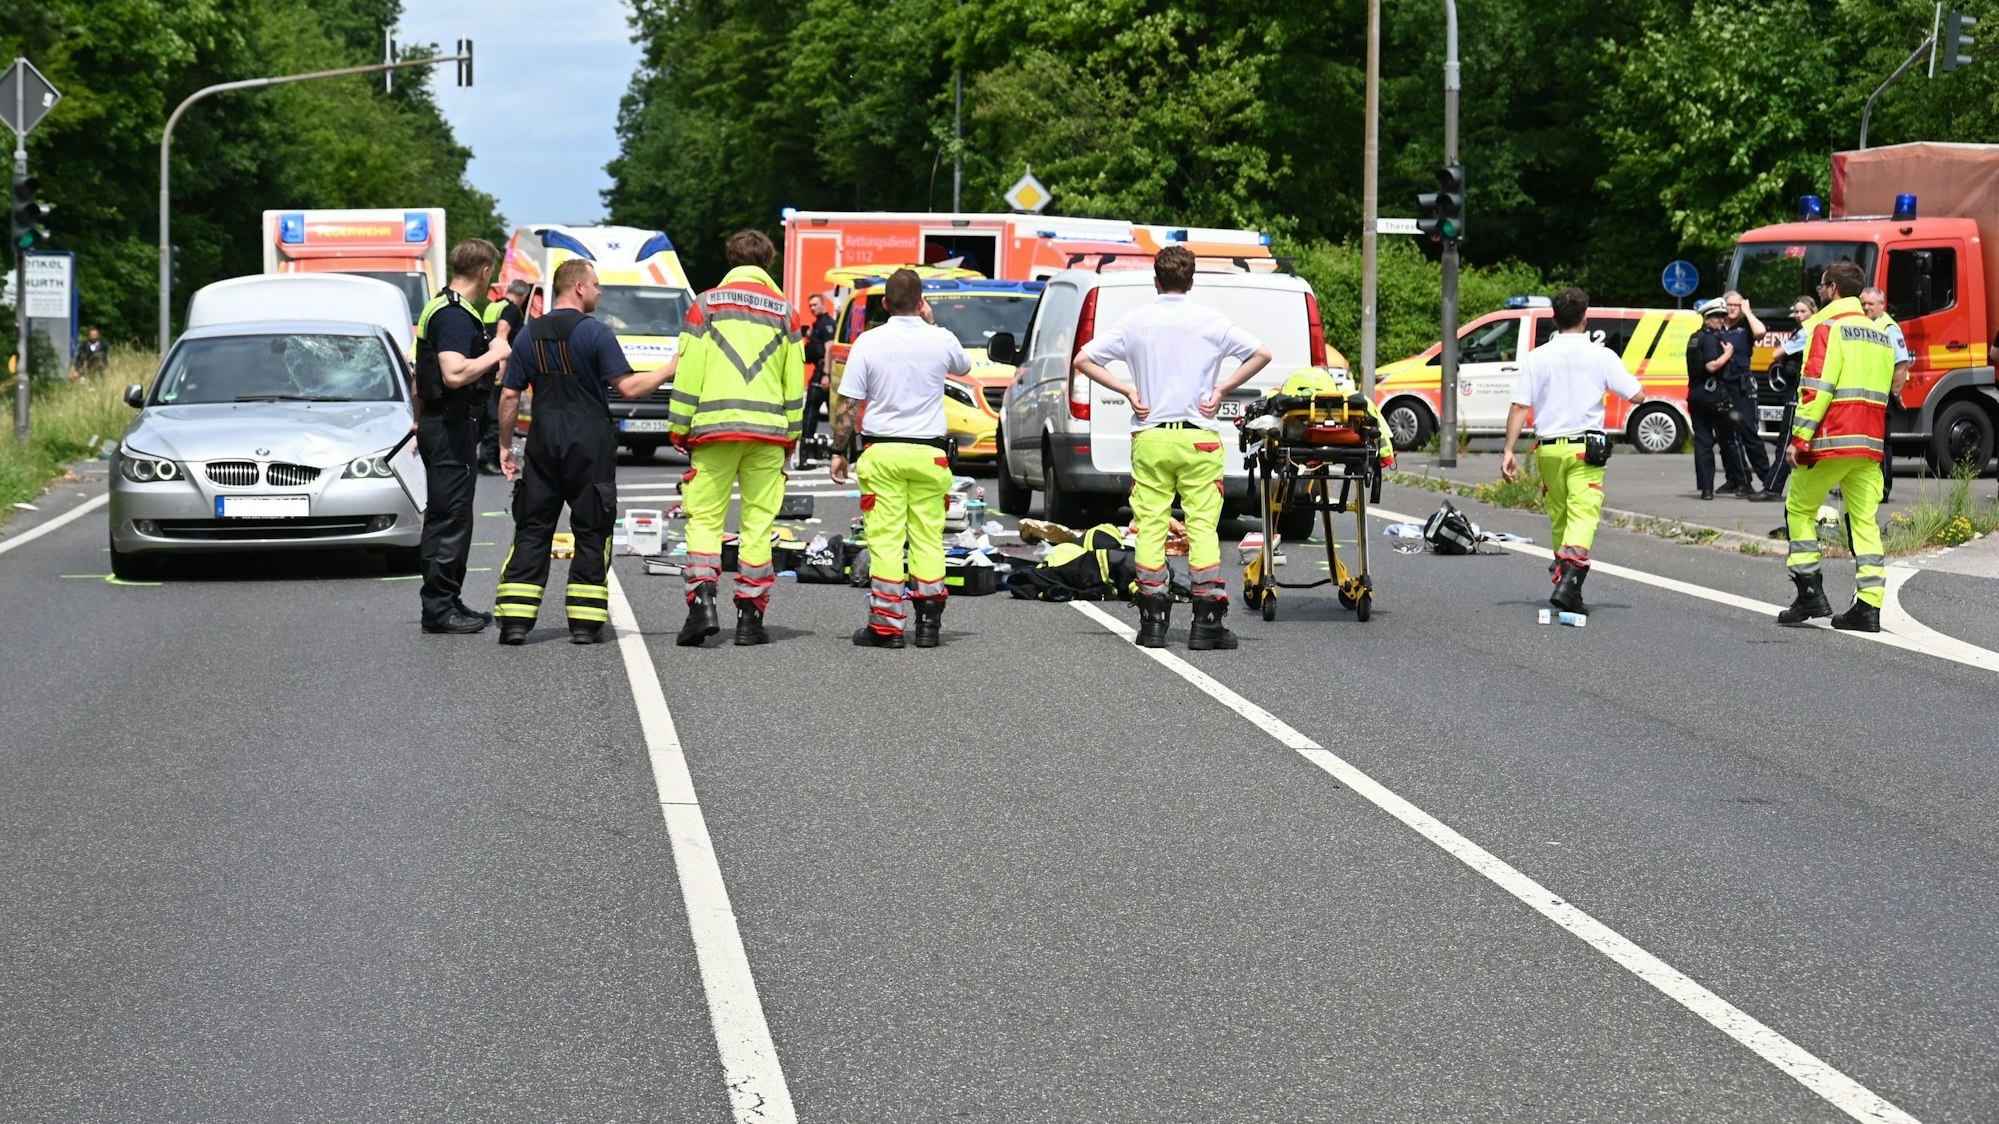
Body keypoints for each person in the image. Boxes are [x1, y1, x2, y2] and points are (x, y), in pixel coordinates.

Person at [1073, 245, 1273, 650]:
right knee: (1202, 526)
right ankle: (1206, 623)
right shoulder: (1210, 320)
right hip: (1199, 439)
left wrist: (1128, 391)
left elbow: (1083, 360)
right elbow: (1262, 353)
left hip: (1151, 437)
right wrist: (1222, 389)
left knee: (1150, 525)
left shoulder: (1136, 321)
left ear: (1156, 281)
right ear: (1191, 281)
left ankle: (1153, 621)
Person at [492, 259, 675, 645]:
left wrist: (506, 446)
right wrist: (668, 369)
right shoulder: (596, 333)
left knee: (533, 527)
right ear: (578, 287)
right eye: (595, 284)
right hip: (590, 444)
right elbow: (628, 388)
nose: (599, 291)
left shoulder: (528, 334)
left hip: (543, 441)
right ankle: (585, 624)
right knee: (592, 530)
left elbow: (509, 395)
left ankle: (515, 621)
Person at [668, 229, 806, 648]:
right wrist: (793, 434)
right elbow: (794, 382)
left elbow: (689, 370)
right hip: (768, 435)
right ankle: (750, 617)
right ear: (768, 262)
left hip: (714, 430)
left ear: (731, 260)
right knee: (758, 525)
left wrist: (679, 424)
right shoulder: (786, 312)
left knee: (705, 520)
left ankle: (702, 604)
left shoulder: (705, 304)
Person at [828, 269, 969, 648]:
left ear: (885, 304)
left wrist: (838, 451)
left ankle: (887, 627)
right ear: (922, 302)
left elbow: (848, 404)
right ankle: (928, 624)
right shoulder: (941, 339)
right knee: (928, 538)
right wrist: (931, 323)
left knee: (886, 541)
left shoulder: (868, 342)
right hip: (930, 455)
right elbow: (963, 366)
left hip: (883, 453)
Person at [1501, 286, 1647, 614]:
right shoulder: (1601, 355)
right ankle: (1570, 579)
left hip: (1548, 450)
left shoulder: (1537, 357)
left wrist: (1508, 451)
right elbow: (1637, 396)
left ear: (1553, 319)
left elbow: (1519, 406)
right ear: (1585, 317)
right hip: (1585, 449)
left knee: (1560, 515)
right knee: (1583, 512)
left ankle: (1566, 583)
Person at [1777, 261, 1897, 632]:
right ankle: (1869, 606)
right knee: (1864, 522)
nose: (1819, 289)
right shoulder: (1880, 332)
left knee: (1799, 508)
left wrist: (1799, 439)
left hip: (1831, 439)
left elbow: (1816, 388)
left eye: (1821, 285)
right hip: (1869, 442)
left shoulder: (1827, 327)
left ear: (1832, 289)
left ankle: (1809, 593)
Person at [414, 238, 511, 635]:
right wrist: (496, 353)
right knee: (450, 518)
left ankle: (448, 599)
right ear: (485, 271)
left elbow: (420, 374)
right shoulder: (454, 315)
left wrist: (419, 420)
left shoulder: (442, 305)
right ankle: (439, 608)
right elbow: (453, 374)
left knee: (451, 515)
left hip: (443, 424)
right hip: (450, 427)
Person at [1685, 298, 1745, 501]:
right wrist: (1728, 353)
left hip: (1695, 394)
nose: (1721, 320)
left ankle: (1706, 489)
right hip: (1712, 396)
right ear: (1706, 318)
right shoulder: (1710, 338)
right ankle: (1741, 482)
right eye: (1717, 317)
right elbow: (1711, 366)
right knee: (1729, 439)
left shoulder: (1694, 338)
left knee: (1702, 442)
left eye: (1722, 316)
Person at [1859, 285, 1913, 502]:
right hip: (1867, 394)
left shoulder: (1889, 327)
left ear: (1882, 305)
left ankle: (1882, 489)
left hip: (1882, 395)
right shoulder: (1867, 324)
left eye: (1870, 304)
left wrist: (1896, 394)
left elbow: (1901, 363)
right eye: (1863, 303)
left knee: (1881, 444)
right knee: (1866, 443)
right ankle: (1864, 486)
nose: (1866, 307)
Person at [1722, 291, 1777, 499]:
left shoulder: (1745, 327)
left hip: (1742, 385)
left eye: (1736, 305)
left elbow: (1761, 332)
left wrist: (1747, 312)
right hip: (1723, 384)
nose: (1732, 308)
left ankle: (1768, 480)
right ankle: (1738, 480)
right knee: (1727, 435)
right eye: (1729, 304)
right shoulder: (1718, 326)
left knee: (1749, 432)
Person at [1762, 293, 1818, 496]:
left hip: (1797, 393)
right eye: (1796, 311)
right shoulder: (1812, 329)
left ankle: (1772, 488)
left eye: (1803, 311)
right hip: (1801, 391)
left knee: (1786, 441)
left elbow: (1776, 354)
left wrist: (1782, 349)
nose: (1798, 315)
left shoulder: (1806, 331)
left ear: (1813, 311)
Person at [478, 280, 531, 475]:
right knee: (497, 414)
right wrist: (501, 363)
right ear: (523, 296)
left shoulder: (493, 306)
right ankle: (490, 459)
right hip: (499, 366)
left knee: (489, 412)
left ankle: (486, 457)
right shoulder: (512, 310)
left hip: (486, 364)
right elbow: (502, 332)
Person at [798, 293, 838, 467]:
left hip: (824, 372)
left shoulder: (827, 324)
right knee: (826, 413)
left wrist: (826, 374)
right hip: (822, 371)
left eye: (815, 305)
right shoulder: (819, 324)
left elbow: (829, 349)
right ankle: (814, 453)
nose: (812, 308)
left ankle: (806, 454)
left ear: (823, 304)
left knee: (812, 413)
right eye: (810, 306)